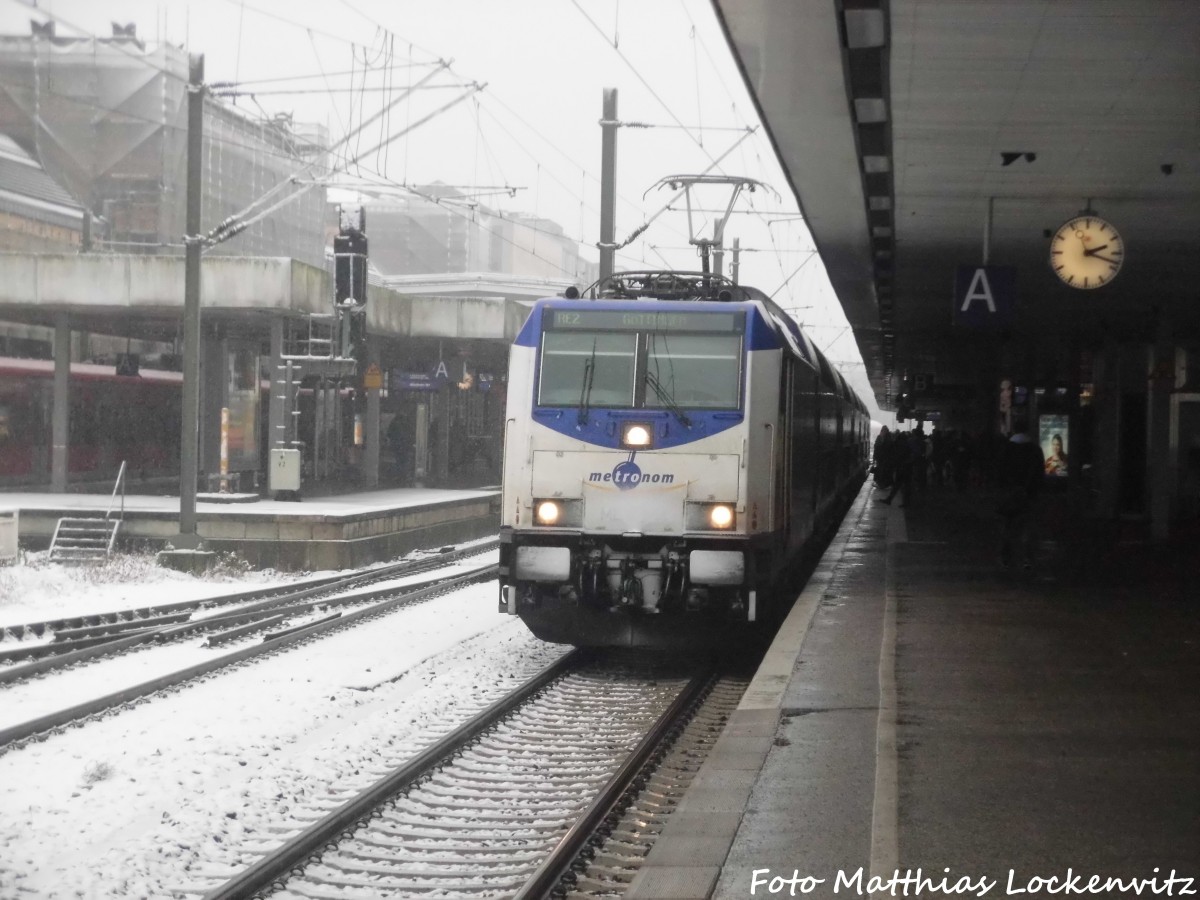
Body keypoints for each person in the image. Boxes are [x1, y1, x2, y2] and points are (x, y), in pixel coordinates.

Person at [997, 423, 1046, 569]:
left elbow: (999, 472)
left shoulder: (1006, 449)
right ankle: (1027, 558)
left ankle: (1006, 556)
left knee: (1007, 526)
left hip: (1009, 494)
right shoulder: (1035, 450)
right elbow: (1039, 474)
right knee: (1027, 526)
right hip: (1029, 494)